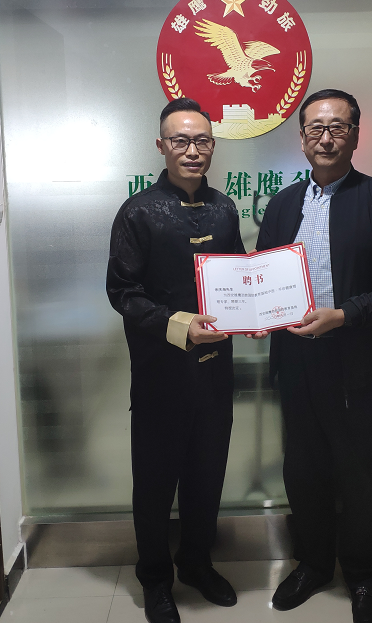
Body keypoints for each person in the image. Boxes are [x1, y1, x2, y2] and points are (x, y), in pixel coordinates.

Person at [255, 89, 372, 623]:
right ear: (302, 138)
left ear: (355, 134)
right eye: (316, 128)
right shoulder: (282, 204)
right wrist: (257, 314)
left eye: (338, 127)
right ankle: (313, 564)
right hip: (296, 360)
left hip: (356, 361)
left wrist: (343, 315)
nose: (326, 138)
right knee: (303, 469)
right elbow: (263, 275)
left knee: (358, 472)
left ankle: (365, 575)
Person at [106, 98, 244, 623]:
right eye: (180, 140)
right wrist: (180, 325)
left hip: (216, 372)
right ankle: (155, 578)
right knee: (155, 482)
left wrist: (254, 311)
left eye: (202, 140)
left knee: (208, 475)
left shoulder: (225, 210)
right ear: (161, 146)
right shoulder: (138, 212)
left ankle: (196, 562)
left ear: (213, 146)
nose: (192, 150)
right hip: (160, 374)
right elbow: (122, 291)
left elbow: (236, 278)